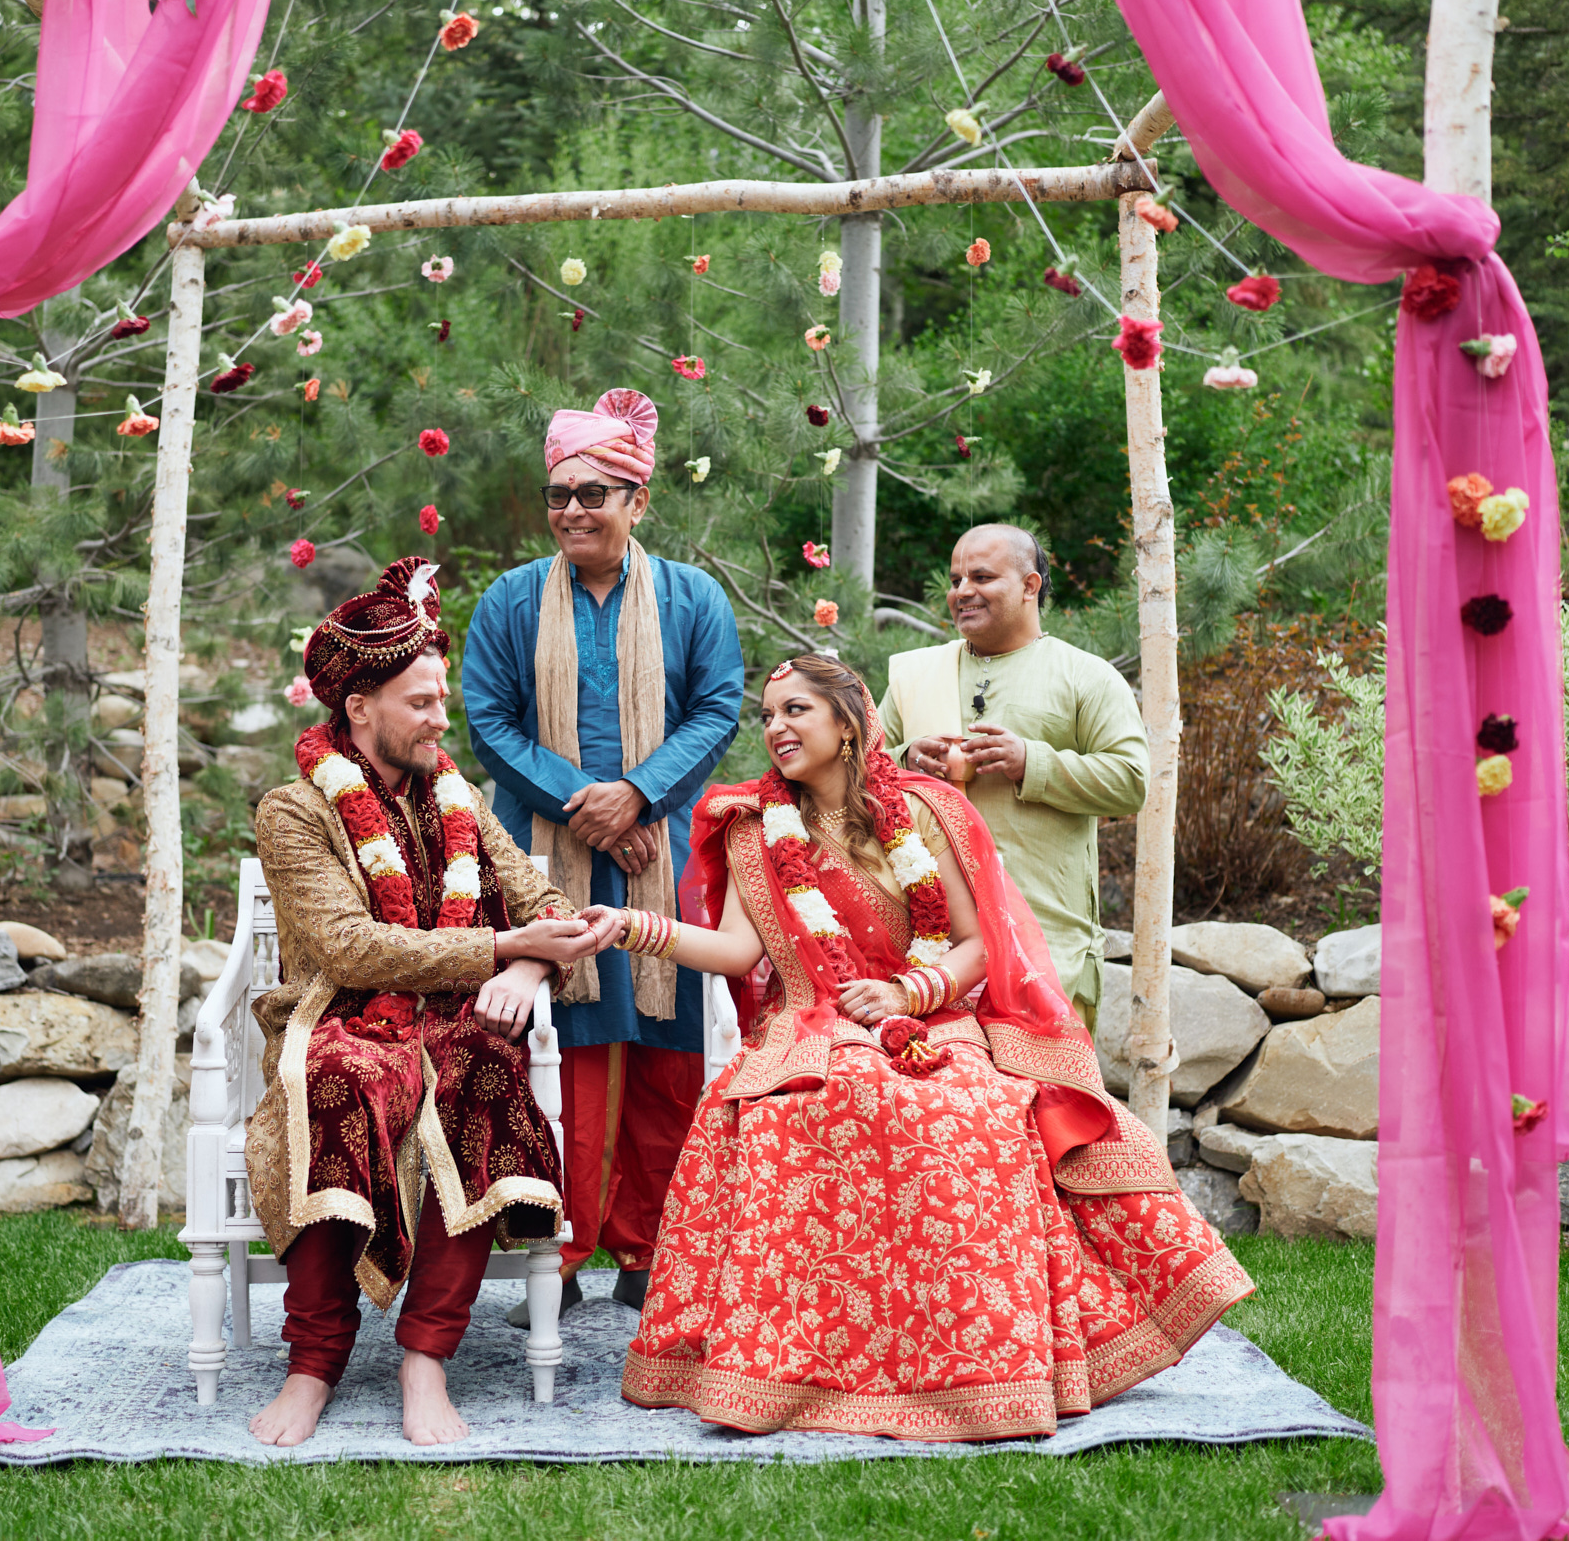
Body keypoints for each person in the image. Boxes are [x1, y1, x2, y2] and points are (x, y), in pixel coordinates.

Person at [585, 655, 1251, 1441]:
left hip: (931, 1014)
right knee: (826, 1097)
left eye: (796, 710)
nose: (776, 728)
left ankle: (973, 1363)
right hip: (812, 1020)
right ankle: (808, 1365)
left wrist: (908, 994)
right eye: (767, 716)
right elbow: (736, 951)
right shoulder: (755, 827)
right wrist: (631, 926)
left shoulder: (923, 810)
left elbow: (973, 943)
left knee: (971, 1108)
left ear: (847, 723)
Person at [245, 556, 606, 1448]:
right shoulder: (294, 811)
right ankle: (313, 1362)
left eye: (442, 698)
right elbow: (348, 946)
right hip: (341, 1013)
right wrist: (502, 946)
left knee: (485, 1066)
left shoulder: (460, 800)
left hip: (455, 1020)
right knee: (336, 1079)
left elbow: (546, 904)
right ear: (359, 707)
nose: (443, 718)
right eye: (421, 702)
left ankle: (426, 1358)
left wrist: (527, 972)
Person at [463, 387, 746, 1322]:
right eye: (559, 494)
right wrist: (589, 807)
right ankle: (559, 1248)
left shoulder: (693, 597)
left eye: (594, 493)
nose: (573, 510)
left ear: (638, 501)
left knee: (668, 1050)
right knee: (565, 1050)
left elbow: (718, 705)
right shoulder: (511, 600)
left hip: (664, 850)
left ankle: (651, 1247)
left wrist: (642, 792)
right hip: (544, 854)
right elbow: (489, 720)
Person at [878, 523, 1147, 1029]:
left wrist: (1032, 763)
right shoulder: (916, 676)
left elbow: (1131, 780)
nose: (962, 592)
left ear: (1030, 585)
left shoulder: (1085, 675)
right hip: (924, 942)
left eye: (981, 577)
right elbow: (859, 773)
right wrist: (907, 758)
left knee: (1047, 1081)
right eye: (956, 580)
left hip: (1044, 937)